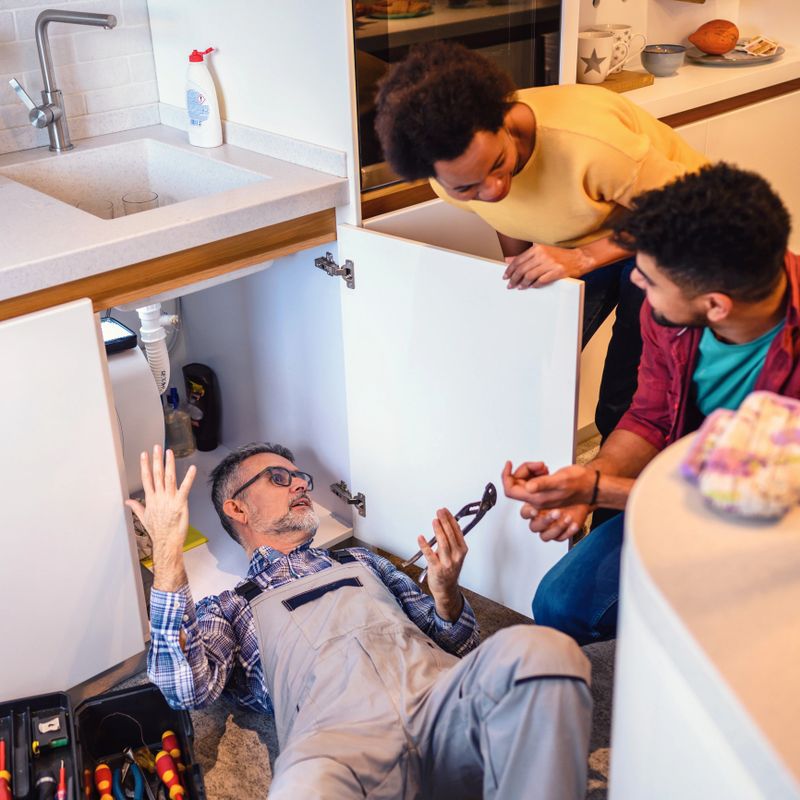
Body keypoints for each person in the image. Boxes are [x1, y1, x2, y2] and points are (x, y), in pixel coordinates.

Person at [128, 442, 593, 799]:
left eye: (299, 477)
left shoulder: (361, 561)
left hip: (438, 695)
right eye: (279, 478)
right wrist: (168, 550)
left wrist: (447, 590)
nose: (300, 485)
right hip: (336, 741)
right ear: (237, 508)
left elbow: (458, 642)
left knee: (548, 652)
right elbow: (184, 687)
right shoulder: (229, 605)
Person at [502, 163, 800, 644]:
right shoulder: (672, 309)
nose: (636, 281)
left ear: (717, 305)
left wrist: (602, 488)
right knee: (559, 603)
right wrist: (591, 477)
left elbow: (758, 505)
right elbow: (651, 415)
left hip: (777, 531)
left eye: (651, 279)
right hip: (688, 487)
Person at [374, 41, 708, 439]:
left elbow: (687, 209)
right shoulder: (445, 175)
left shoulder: (592, 144)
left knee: (631, 387)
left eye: (498, 164)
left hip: (673, 228)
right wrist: (515, 275)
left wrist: (584, 258)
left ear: (504, 122)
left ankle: (618, 494)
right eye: (469, 187)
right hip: (580, 231)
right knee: (525, 367)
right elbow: (508, 213)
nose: (494, 189)